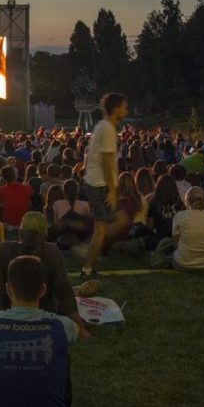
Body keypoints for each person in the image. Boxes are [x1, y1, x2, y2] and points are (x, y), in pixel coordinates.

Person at [0, 256, 78, 407]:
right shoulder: (63, 326)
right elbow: (75, 330)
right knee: (62, 349)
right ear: (42, 290)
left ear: (9, 289)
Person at [0, 212, 90, 339]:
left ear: (20, 233)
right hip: (43, 317)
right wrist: (81, 329)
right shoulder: (52, 253)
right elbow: (64, 291)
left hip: (11, 315)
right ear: (45, 235)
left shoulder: (5, 250)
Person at [81, 92, 127, 280]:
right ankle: (87, 269)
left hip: (96, 181)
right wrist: (112, 191)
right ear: (116, 109)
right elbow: (108, 162)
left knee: (105, 226)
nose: (126, 110)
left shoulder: (102, 126)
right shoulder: (107, 129)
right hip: (100, 184)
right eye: (124, 106)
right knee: (101, 229)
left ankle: (88, 255)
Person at [156, 187, 204, 271]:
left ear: (187, 201)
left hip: (183, 264)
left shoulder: (180, 216)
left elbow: (176, 244)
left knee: (166, 244)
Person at [0, 165, 33, 229]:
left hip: (8, 222)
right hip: (23, 221)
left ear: (3, 178)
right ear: (15, 175)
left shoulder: (0, 191)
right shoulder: (27, 188)